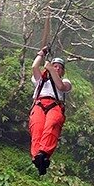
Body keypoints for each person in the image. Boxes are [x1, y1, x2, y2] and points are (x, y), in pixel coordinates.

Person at [29, 46, 72, 175]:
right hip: (39, 105)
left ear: (62, 71)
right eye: (55, 66)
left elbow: (60, 86)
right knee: (37, 129)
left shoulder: (65, 81)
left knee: (51, 126)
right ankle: (37, 157)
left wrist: (51, 69)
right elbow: (34, 67)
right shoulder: (41, 80)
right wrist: (42, 53)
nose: (57, 68)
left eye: (59, 67)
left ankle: (44, 153)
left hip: (54, 106)